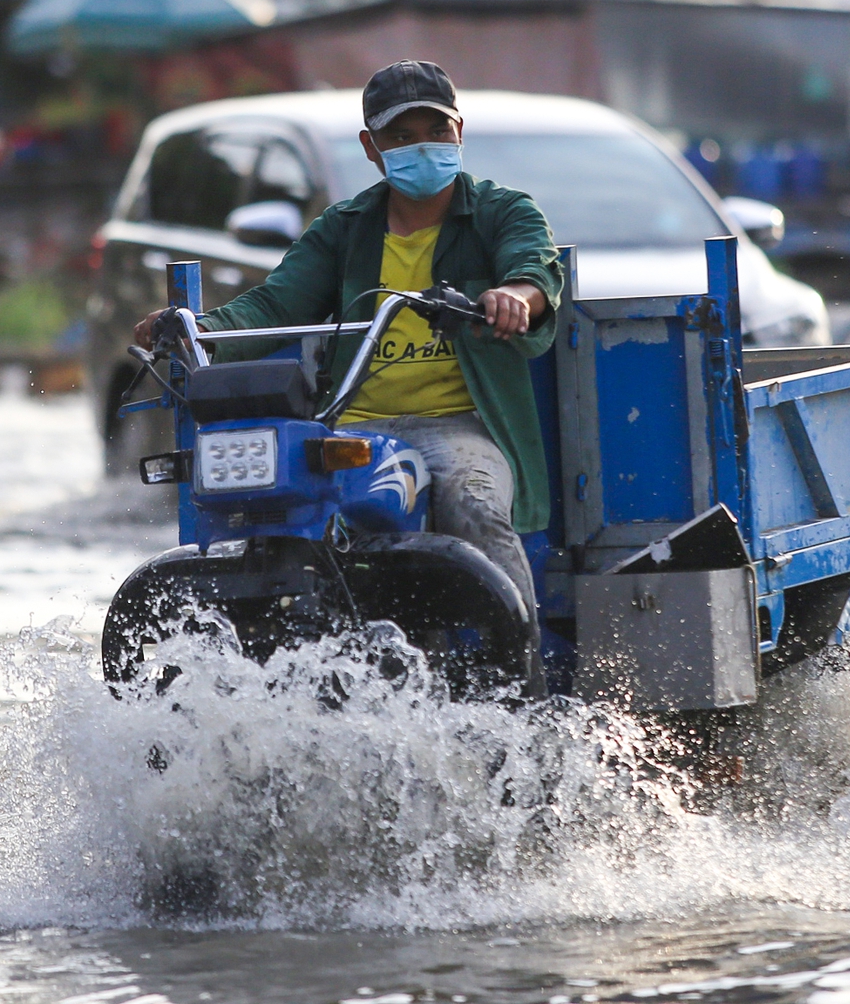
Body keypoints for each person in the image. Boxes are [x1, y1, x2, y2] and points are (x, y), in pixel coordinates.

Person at [132, 60, 564, 659]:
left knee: (474, 504)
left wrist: (512, 298)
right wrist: (199, 329)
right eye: (401, 137)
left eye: (436, 131)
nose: (423, 147)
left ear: (459, 132)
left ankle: (522, 673)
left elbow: (534, 270)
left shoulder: (503, 210)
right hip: (350, 427)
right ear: (371, 147)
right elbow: (274, 303)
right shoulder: (344, 228)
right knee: (268, 518)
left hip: (456, 426)